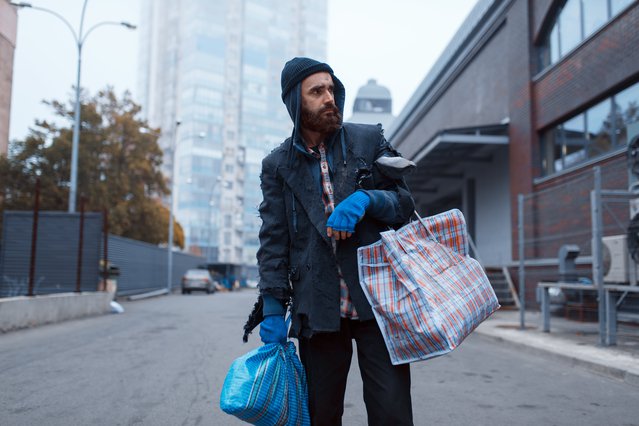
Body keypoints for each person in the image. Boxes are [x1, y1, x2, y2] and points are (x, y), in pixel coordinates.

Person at [249, 57, 415, 425]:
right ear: (296, 102)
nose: (329, 98)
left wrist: (367, 200)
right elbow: (274, 239)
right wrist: (274, 308)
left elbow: (404, 203)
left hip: (376, 300)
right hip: (318, 306)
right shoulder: (278, 165)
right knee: (321, 415)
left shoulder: (368, 139)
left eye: (331, 89)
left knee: (393, 413)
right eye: (317, 91)